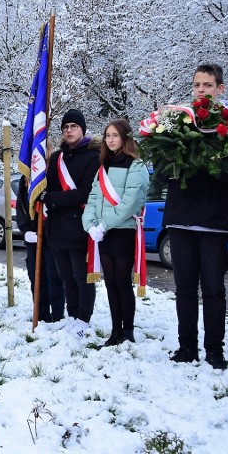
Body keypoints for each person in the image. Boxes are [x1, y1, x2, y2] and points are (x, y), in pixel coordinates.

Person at [165, 64, 228, 370]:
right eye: (197, 84)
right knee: (184, 288)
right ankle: (187, 347)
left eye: (207, 85)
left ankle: (214, 350)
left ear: (219, 89)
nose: (200, 89)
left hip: (213, 222)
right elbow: (162, 170)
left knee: (212, 289)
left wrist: (204, 160)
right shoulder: (177, 124)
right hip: (181, 218)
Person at [82, 119, 149, 345]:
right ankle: (115, 330)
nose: (110, 140)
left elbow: (130, 203)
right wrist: (90, 224)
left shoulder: (136, 166)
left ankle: (127, 330)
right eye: (107, 135)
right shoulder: (104, 166)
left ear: (125, 138)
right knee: (110, 283)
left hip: (123, 232)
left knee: (122, 282)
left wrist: (104, 224)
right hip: (104, 233)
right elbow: (92, 198)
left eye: (115, 135)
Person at [44, 109, 100, 332]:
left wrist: (52, 199)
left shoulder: (93, 157)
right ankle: (72, 315)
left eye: (73, 127)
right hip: (57, 226)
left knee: (81, 275)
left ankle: (83, 318)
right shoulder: (57, 157)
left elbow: (85, 193)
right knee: (65, 275)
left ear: (82, 129)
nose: (69, 131)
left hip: (79, 226)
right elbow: (48, 186)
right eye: (65, 127)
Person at [16, 174, 65, 323]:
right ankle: (41, 313)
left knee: (53, 276)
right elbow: (21, 206)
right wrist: (25, 230)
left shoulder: (54, 174)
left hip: (52, 235)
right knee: (35, 276)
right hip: (32, 235)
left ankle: (57, 315)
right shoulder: (25, 178)